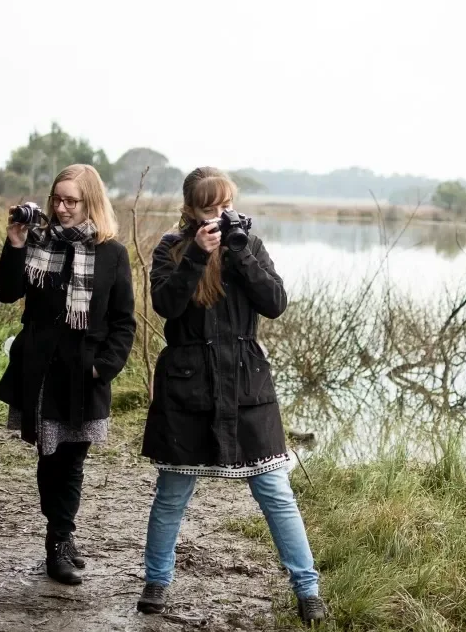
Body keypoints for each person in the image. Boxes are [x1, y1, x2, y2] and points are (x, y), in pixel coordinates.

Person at [137, 167, 327, 625]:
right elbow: (166, 306)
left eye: (226, 205)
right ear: (190, 209)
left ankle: (308, 589)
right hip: (188, 388)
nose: (221, 215)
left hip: (246, 386)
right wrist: (197, 256)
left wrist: (240, 253)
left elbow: (275, 303)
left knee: (276, 491)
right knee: (171, 493)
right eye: (210, 207)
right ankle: (156, 581)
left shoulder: (250, 245)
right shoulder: (171, 248)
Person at [0, 164, 136, 585]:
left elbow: (123, 321)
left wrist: (102, 367)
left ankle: (61, 537)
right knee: (51, 455)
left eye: (71, 200)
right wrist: (15, 243)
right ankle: (58, 540)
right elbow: (7, 292)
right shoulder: (38, 240)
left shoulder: (112, 253)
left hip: (85, 373)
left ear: (90, 201)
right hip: (42, 369)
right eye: (57, 199)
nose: (61, 208)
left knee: (73, 460)